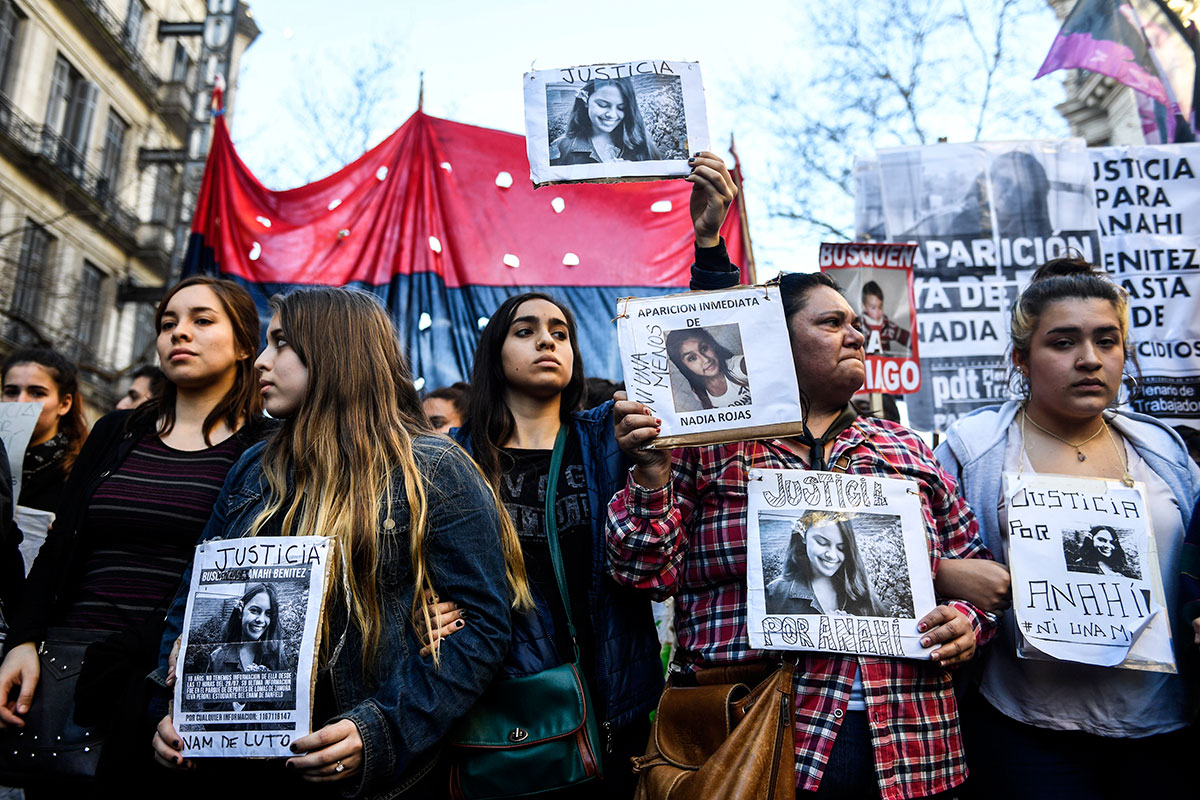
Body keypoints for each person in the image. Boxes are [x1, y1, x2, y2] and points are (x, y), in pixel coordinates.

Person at [604, 151, 996, 799]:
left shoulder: (910, 452)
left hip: (916, 749)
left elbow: (974, 573)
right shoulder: (715, 447)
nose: (859, 336)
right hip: (755, 744)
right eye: (833, 322)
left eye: (859, 325)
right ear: (776, 342)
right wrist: (649, 473)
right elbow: (643, 574)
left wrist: (965, 621)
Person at [151, 287, 525, 796]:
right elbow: (190, 603)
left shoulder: (435, 470)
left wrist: (380, 731)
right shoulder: (251, 470)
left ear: (336, 352)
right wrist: (173, 712)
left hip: (372, 782)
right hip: (232, 771)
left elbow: (481, 628)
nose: (261, 361)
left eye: (281, 342)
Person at [934, 258, 1200, 798]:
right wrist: (945, 573)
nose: (1089, 360)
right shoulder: (973, 449)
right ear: (1021, 359)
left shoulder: (1166, 451)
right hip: (1024, 732)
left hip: (1164, 732)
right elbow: (902, 554)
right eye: (1063, 342)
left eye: (1107, 341)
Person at [0, 276, 270, 785]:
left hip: (171, 678)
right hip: (69, 662)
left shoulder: (267, 447)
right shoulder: (117, 431)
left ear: (242, 346)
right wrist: (23, 641)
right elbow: (60, 547)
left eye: (201, 321)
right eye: (168, 323)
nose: (178, 333)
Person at [444, 290, 662, 798]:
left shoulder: (611, 441)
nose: (546, 339)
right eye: (525, 331)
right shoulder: (451, 458)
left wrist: (709, 253)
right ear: (494, 355)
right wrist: (418, 612)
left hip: (609, 715)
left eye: (560, 333)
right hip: (498, 719)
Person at [1, 348, 90, 512]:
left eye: (37, 393)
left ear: (64, 404)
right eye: (11, 392)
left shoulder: (81, 472)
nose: (20, 402)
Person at [765, 512, 881, 617]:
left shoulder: (861, 593)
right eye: (822, 542)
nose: (832, 555)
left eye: (841, 548)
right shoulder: (775, 593)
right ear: (803, 536)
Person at [549, 78, 660, 166]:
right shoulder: (560, 148)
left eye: (621, 108)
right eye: (603, 105)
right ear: (585, 100)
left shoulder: (643, 146)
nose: (612, 114)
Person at [207, 583, 284, 675]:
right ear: (241, 611)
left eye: (268, 614)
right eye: (254, 611)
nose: (260, 620)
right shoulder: (217, 659)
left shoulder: (277, 656)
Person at [665, 327, 751, 409]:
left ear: (712, 346)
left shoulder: (737, 366)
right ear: (684, 366)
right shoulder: (699, 393)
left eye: (704, 348)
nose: (706, 359)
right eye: (692, 358)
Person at [860, 281, 911, 356]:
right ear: (864, 307)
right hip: (865, 366)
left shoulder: (888, 326)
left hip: (885, 365)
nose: (878, 311)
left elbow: (909, 339)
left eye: (880, 307)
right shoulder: (858, 325)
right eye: (873, 307)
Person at [1068, 524, 1134, 578]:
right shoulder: (1080, 567)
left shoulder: (1122, 567)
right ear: (1091, 540)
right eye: (1101, 540)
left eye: (1111, 542)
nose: (1107, 545)